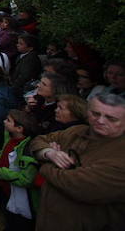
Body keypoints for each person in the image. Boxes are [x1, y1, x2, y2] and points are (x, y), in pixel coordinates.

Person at [29, 91, 125, 230]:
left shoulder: (120, 154)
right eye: (96, 114)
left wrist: (45, 164)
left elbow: (80, 186)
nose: (100, 121)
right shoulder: (77, 131)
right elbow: (38, 140)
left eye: (111, 118)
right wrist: (49, 153)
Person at [0, 110, 40, 231]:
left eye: (8, 120)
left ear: (19, 128)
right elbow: (3, 153)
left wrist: (2, 172)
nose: (4, 122)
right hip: (6, 189)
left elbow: (27, 179)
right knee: (8, 216)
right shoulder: (10, 138)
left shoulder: (27, 149)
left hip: (19, 198)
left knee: (17, 223)